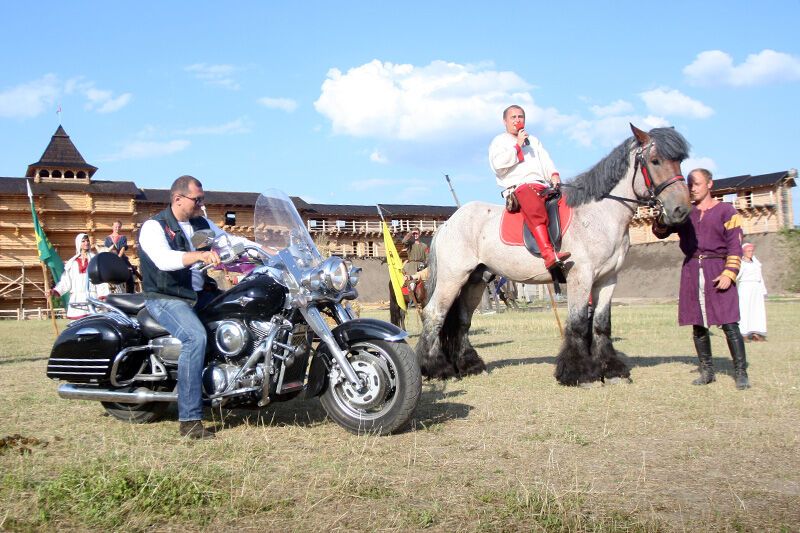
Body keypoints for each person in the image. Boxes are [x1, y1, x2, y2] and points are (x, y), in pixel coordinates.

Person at [138, 175, 252, 439]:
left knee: (241, 313)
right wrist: (199, 255)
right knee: (195, 337)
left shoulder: (202, 224)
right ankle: (189, 420)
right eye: (197, 200)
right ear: (178, 199)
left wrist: (268, 251)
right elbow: (164, 259)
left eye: (202, 199)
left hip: (200, 294)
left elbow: (230, 241)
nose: (201, 204)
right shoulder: (154, 226)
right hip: (167, 297)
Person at [652, 168, 750, 389]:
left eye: (696, 184)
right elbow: (660, 232)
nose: (693, 188)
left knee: (729, 323)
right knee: (698, 324)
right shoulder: (686, 212)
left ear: (709, 184)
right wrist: (663, 215)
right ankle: (707, 371)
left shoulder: (726, 211)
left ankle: (740, 372)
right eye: (690, 185)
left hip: (718, 268)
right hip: (692, 269)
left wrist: (729, 273)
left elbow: (735, 245)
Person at [489, 105, 570, 269]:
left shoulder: (533, 140)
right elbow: (498, 165)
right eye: (513, 117)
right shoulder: (499, 141)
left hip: (542, 185)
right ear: (505, 121)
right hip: (519, 186)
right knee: (531, 200)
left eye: (520, 117)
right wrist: (517, 146)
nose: (517, 120)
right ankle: (548, 254)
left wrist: (554, 175)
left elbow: (545, 160)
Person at [51, 233, 109, 319]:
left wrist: (103, 295)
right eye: (83, 241)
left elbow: (101, 280)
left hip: (92, 297)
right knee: (78, 325)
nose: (86, 243)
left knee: (94, 323)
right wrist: (54, 291)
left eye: (87, 241)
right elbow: (66, 281)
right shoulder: (72, 262)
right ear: (78, 243)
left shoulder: (95, 260)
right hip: (77, 300)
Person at [737, 242, 767, 342]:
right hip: (745, 288)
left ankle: (756, 333)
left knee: (757, 310)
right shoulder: (741, 263)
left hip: (756, 288)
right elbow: (736, 276)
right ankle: (743, 333)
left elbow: (760, 277)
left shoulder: (756, 263)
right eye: (748, 251)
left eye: (751, 251)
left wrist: (763, 289)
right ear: (744, 252)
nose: (750, 252)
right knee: (745, 310)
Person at [104, 220, 138, 293]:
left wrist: (118, 257)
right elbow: (106, 249)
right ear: (112, 227)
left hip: (121, 259)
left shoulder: (123, 237)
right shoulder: (108, 238)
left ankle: (130, 292)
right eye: (115, 226)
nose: (117, 228)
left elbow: (123, 248)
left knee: (129, 273)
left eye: (119, 227)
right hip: (111, 259)